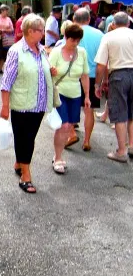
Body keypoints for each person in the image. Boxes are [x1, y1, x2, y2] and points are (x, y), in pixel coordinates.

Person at [0, 14, 54, 193]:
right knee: (26, 140)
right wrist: (5, 106)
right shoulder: (16, 51)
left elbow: (41, 71)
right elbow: (6, 81)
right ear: (30, 31)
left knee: (28, 138)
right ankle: (26, 175)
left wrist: (50, 71)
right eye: (41, 30)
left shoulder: (42, 50)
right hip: (22, 104)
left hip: (39, 104)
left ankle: (19, 162)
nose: (44, 33)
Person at [49, 24, 90, 174]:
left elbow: (85, 75)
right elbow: (47, 73)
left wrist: (87, 96)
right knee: (64, 125)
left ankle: (58, 154)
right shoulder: (56, 52)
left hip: (75, 93)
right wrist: (51, 71)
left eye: (78, 40)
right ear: (66, 38)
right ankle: (58, 158)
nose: (75, 43)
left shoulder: (82, 53)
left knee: (70, 125)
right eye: (73, 40)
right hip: (59, 92)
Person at [94, 12, 133, 162]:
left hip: (118, 75)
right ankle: (131, 146)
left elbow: (101, 65)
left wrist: (98, 83)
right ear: (128, 23)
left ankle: (121, 151)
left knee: (119, 113)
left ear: (113, 23)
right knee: (132, 114)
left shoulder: (108, 37)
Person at [64, 8, 103, 151]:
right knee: (89, 109)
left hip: (73, 75)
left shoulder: (70, 32)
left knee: (68, 105)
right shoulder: (99, 34)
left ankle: (72, 133)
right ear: (89, 19)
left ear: (74, 18)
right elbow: (103, 59)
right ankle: (86, 141)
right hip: (92, 75)